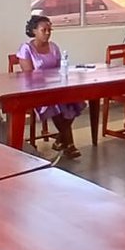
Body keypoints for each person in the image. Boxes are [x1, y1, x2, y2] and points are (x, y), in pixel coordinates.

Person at [17, 15, 85, 159]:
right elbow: (28, 75)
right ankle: (69, 144)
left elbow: (61, 68)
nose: (48, 33)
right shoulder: (26, 48)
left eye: (49, 30)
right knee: (56, 104)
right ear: (34, 30)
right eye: (44, 30)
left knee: (76, 100)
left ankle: (61, 138)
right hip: (36, 90)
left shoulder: (53, 47)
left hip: (55, 87)